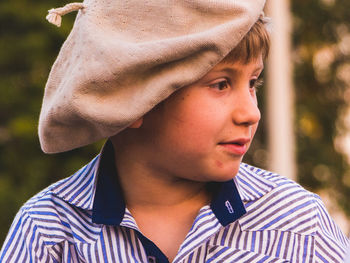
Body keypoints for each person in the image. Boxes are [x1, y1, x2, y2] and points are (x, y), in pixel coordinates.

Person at [0, 0, 349, 262]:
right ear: (135, 100)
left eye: (253, 83)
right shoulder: (50, 233)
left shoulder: (299, 225)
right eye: (221, 85)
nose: (251, 113)